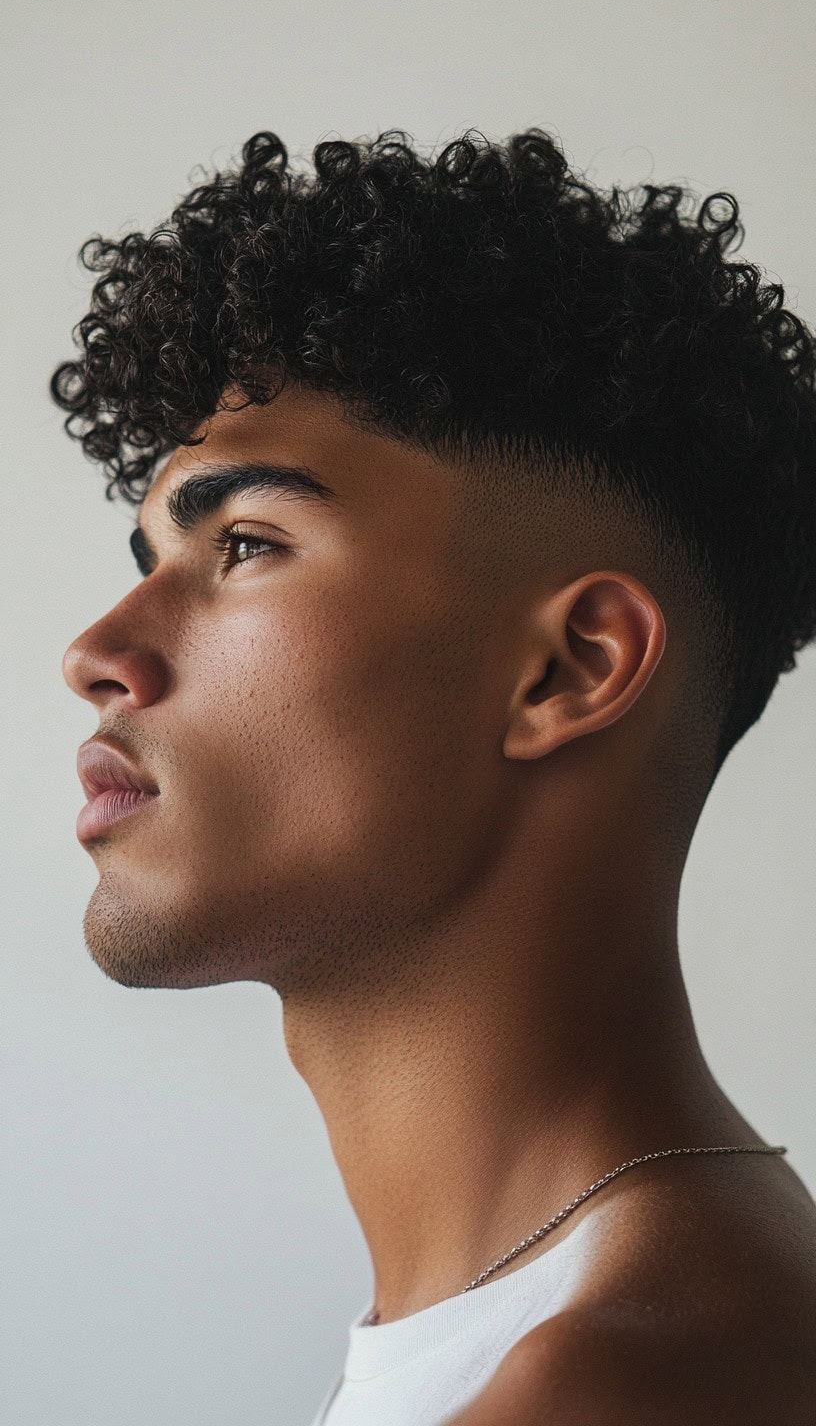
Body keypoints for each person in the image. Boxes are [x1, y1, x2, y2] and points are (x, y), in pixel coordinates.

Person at [54, 127, 816, 1424]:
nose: (98, 655)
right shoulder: (615, 1317)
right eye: (148, 562)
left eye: (245, 545)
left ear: (572, 668)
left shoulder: (623, 1385)